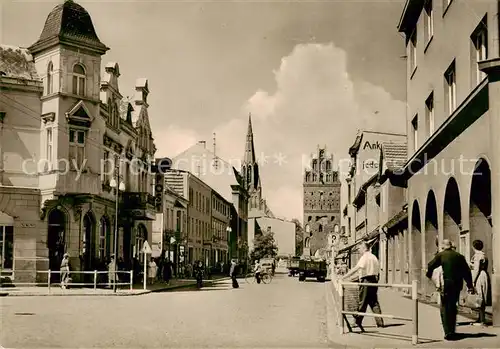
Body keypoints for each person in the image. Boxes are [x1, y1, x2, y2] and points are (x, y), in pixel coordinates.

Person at [426, 239, 474, 340]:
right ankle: (452, 330)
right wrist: (470, 285)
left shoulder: (441, 255)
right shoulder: (459, 256)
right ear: (451, 246)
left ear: (443, 246)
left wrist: (429, 276)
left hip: (446, 285)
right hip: (457, 285)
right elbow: (466, 271)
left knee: (445, 307)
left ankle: (448, 332)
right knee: (453, 306)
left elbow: (430, 265)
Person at [342, 241, 384, 330]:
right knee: (374, 302)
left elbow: (356, 269)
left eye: (360, 248)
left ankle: (357, 321)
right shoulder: (374, 257)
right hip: (374, 280)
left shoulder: (365, 257)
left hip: (366, 281)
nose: (359, 250)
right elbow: (377, 271)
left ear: (365, 248)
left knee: (362, 302)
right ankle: (380, 322)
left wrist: (344, 277)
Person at [470, 239, 489, 326]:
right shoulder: (483, 255)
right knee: (481, 296)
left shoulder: (477, 256)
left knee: (480, 296)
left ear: (474, 247)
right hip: (484, 275)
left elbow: (477, 269)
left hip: (479, 276)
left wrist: (472, 281)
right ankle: (480, 318)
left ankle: (482, 321)